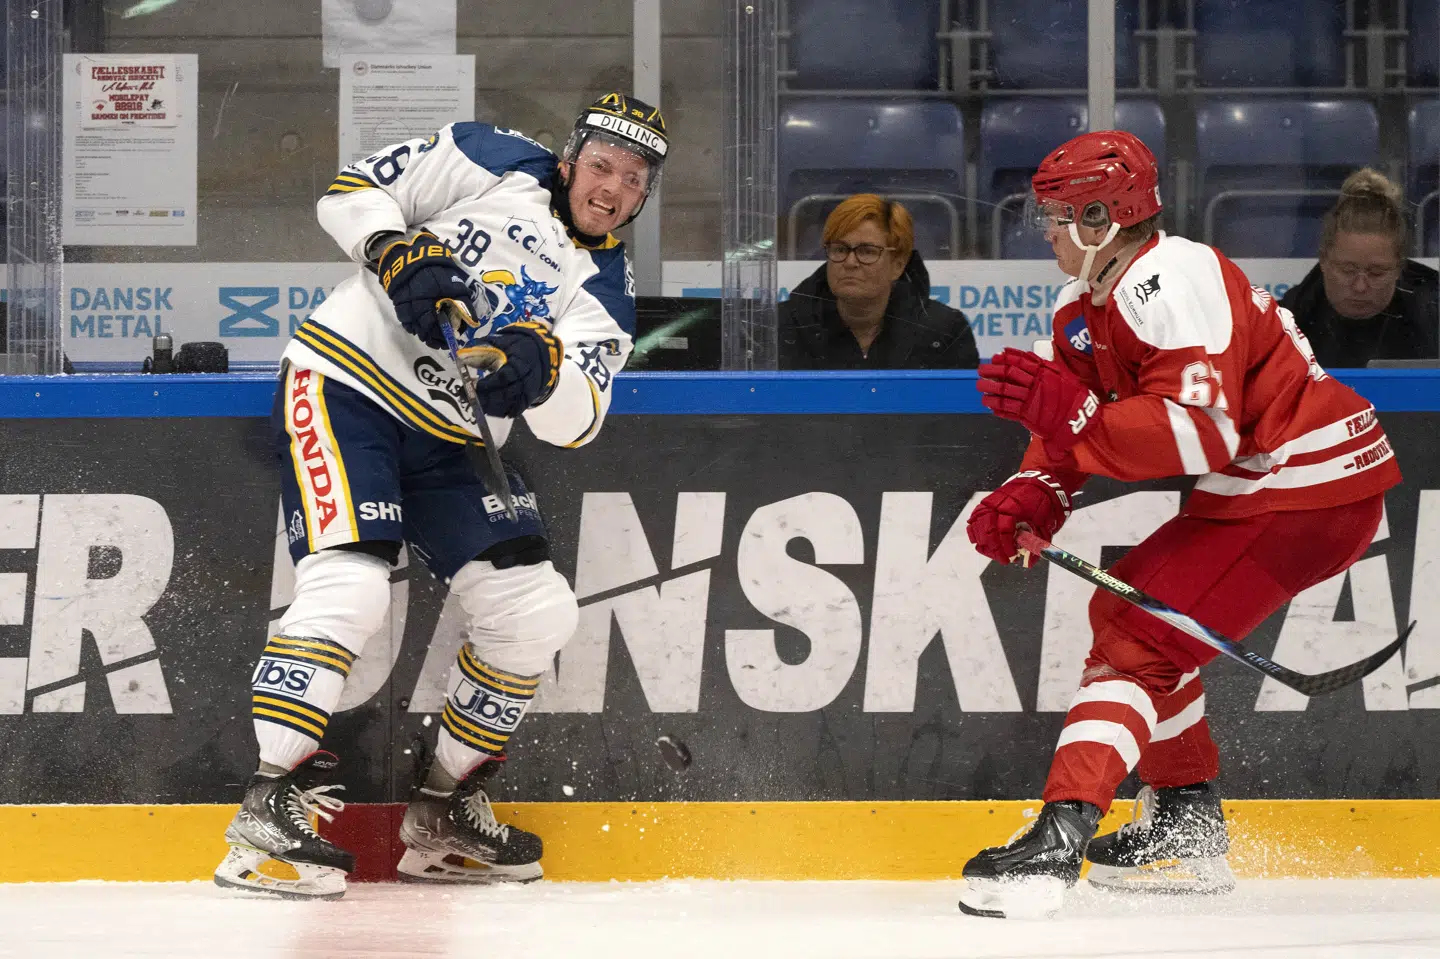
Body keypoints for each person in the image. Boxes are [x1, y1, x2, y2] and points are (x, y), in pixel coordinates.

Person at [212, 93, 668, 900]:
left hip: (454, 436)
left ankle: (439, 813)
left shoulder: (608, 288)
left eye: (633, 179)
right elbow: (348, 190)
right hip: (347, 383)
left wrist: (543, 368)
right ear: (569, 160)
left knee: (537, 612)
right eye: (601, 164)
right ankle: (263, 807)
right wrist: (395, 249)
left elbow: (579, 422)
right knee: (350, 586)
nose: (612, 187)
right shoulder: (489, 154)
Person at [958, 131, 1400, 919]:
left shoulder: (1172, 276)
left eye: (1058, 215)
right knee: (1127, 615)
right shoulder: (1080, 308)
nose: (1048, 231)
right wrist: (1034, 492)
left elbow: (1201, 434)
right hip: (1269, 484)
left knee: (1139, 633)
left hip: (1310, 483)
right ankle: (1185, 825)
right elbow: (1068, 433)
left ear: (1101, 217)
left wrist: (1079, 413)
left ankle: (1061, 838)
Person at [778, 194, 978, 369]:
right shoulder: (780, 327)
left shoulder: (945, 331)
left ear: (898, 265)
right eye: (840, 249)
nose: (850, 262)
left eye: (867, 251)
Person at [1280, 168, 1439, 368]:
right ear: (1323, 260)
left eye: (1376, 273)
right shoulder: (1285, 323)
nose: (1360, 287)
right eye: (1347, 270)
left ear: (1399, 268)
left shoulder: (1434, 317)